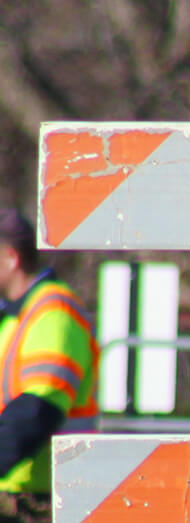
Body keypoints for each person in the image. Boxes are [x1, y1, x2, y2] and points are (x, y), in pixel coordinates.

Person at [0, 207, 99, 492]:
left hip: (46, 499)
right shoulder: (13, 318)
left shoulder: (53, 313)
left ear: (10, 258)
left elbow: (36, 412)